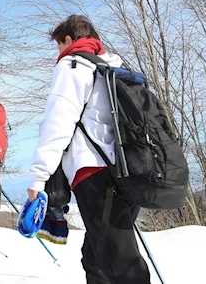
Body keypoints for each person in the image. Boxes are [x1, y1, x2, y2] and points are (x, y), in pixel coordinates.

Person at [26, 15, 150, 283]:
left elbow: (57, 124)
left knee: (119, 259)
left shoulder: (73, 66)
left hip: (95, 170)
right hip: (133, 167)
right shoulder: (119, 68)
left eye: (59, 45)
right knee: (96, 254)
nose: (58, 52)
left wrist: (39, 175)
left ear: (69, 40)